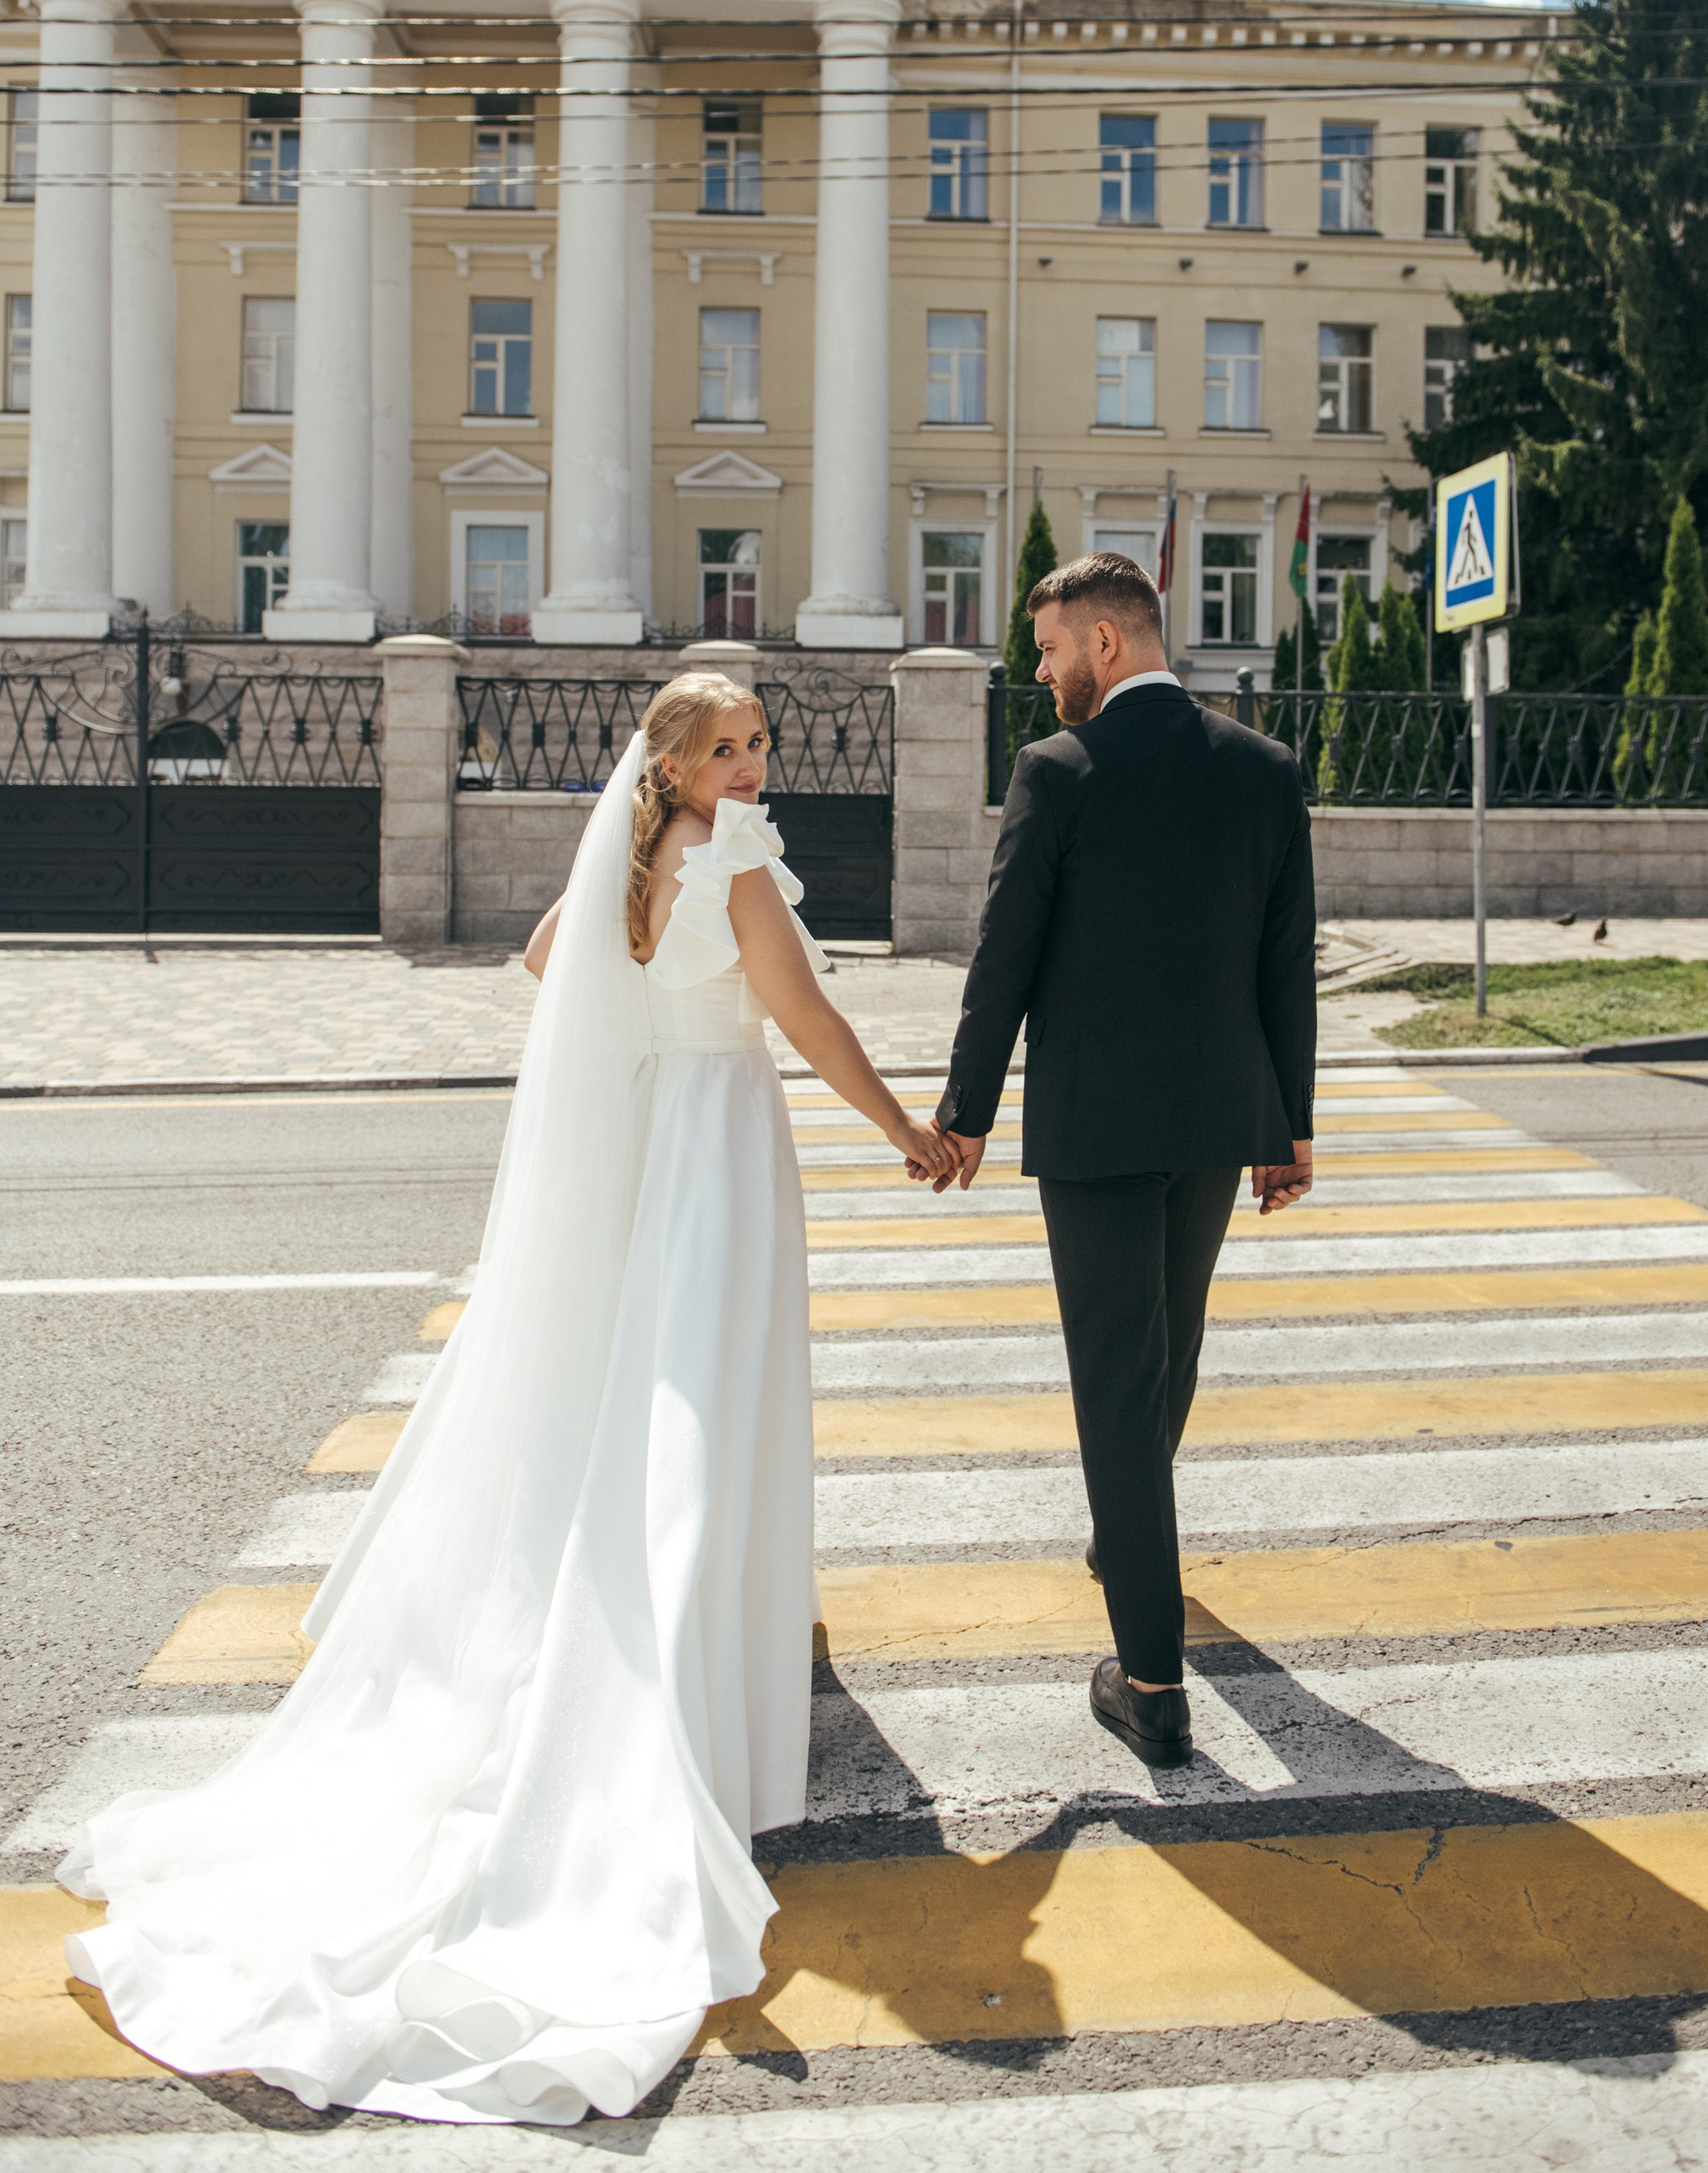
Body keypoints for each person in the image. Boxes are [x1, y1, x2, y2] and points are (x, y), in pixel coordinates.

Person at [60, 671, 952, 2126]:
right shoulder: (730, 861)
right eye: (724, 749)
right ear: (675, 763)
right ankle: (682, 1680)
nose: (748, 767)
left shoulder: (632, 852)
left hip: (649, 1139)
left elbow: (549, 960)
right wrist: (905, 1128)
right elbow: (802, 1016)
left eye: (753, 745)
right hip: (717, 1148)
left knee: (645, 1401)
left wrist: (646, 1022)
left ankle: (679, 1638)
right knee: (697, 1413)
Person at [933, 552, 1316, 1770]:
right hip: (1215, 1118)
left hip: (1097, 1124)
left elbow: (1006, 953)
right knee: (1171, 1344)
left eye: (1048, 650)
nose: (1040, 674)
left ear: (1106, 641)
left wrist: (964, 1111)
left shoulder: (1060, 773)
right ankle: (1129, 1535)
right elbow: (1285, 961)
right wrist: (1289, 1125)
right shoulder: (1264, 768)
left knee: (1117, 1377)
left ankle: (1151, 1683)